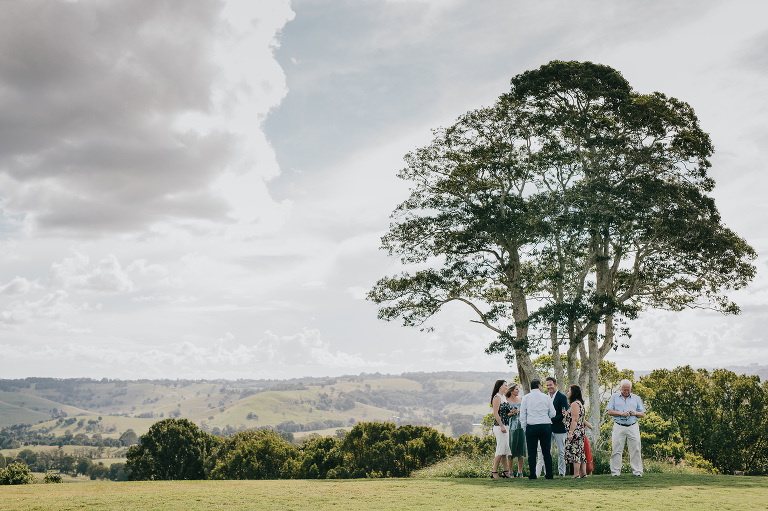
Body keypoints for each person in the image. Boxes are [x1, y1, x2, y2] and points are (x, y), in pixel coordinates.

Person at [606, 379, 646, 476]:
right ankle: (615, 472)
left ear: (631, 389)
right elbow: (609, 411)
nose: (626, 392)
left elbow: (643, 414)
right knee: (616, 449)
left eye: (628, 390)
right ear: (621, 388)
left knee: (635, 449)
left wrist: (635, 413)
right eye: (624, 390)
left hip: (633, 426)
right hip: (619, 426)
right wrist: (620, 413)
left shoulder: (636, 398)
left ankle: (637, 472)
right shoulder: (614, 397)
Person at [520, 378, 556, 479]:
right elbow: (553, 413)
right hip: (545, 425)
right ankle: (549, 474)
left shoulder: (526, 398)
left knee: (532, 452)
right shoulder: (546, 397)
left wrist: (524, 428)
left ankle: (532, 474)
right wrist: (546, 416)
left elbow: (523, 415)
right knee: (546, 452)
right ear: (539, 386)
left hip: (531, 426)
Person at [536, 376, 569, 477]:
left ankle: (562, 473)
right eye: (547, 385)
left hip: (559, 428)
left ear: (555, 385)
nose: (549, 387)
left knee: (561, 452)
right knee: (546, 451)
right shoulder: (545, 397)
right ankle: (547, 472)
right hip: (547, 429)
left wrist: (551, 420)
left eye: (550, 385)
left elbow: (563, 413)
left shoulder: (562, 397)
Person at [490, 379, 512, 478]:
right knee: (500, 448)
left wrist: (512, 413)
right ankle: (494, 472)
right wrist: (502, 426)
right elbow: (495, 413)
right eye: (505, 386)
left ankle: (505, 471)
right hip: (499, 427)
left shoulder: (503, 397)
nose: (506, 387)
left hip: (506, 425)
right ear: (500, 387)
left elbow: (505, 413)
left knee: (505, 449)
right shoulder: (497, 397)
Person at [563, 384, 587, 478]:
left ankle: (576, 474)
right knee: (581, 452)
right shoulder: (580, 403)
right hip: (580, 430)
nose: (568, 393)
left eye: (569, 391)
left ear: (573, 393)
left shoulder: (574, 404)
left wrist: (570, 432)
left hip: (576, 431)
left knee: (575, 451)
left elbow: (575, 420)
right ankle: (583, 473)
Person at [505, 383, 525, 477]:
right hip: (511, 427)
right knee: (511, 450)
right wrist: (512, 413)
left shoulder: (521, 399)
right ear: (512, 390)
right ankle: (510, 471)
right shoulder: (506, 400)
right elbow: (505, 415)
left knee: (521, 450)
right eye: (516, 389)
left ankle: (520, 472)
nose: (518, 391)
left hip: (521, 427)